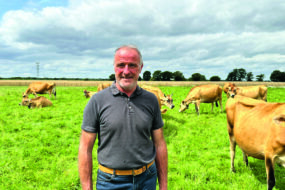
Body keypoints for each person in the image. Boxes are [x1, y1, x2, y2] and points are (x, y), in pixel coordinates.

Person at [78, 45, 168, 190]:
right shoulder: (97, 101)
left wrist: (163, 186)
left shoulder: (151, 100)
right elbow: (85, 149)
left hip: (147, 179)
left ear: (140, 67)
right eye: (121, 65)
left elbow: (160, 144)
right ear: (114, 67)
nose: (126, 71)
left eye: (132, 65)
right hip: (111, 182)